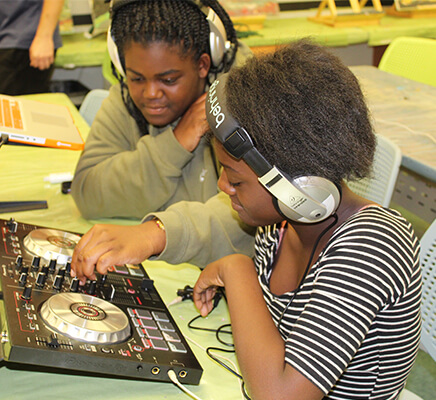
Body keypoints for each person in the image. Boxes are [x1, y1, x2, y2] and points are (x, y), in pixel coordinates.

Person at [192, 40, 422, 399]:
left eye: (235, 180)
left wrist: (237, 271)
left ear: (299, 187)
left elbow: (279, 395)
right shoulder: (282, 225)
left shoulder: (373, 245)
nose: (223, 187)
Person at [70, 0, 255, 273]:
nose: (151, 94)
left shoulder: (250, 99)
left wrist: (155, 234)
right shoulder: (126, 100)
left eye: (168, 80)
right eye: (136, 78)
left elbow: (252, 222)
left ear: (204, 64)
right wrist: (176, 142)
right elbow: (87, 191)